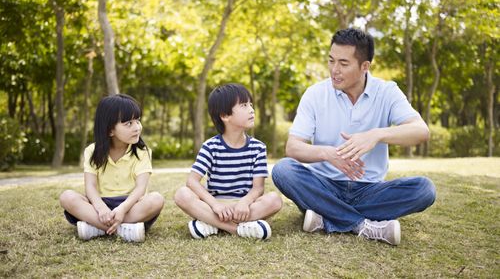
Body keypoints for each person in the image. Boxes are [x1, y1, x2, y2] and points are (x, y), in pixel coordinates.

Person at [271, 28, 436, 245]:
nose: (334, 70)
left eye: (343, 63)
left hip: (369, 190)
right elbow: (293, 148)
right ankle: (362, 225)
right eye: (331, 61)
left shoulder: (387, 92)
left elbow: (421, 131)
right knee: (283, 170)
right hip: (323, 186)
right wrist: (327, 154)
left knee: (424, 190)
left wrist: (376, 135)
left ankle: (327, 217)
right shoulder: (315, 94)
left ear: (364, 66)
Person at [174, 83, 282, 240]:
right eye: (244, 105)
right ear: (225, 115)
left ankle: (210, 224)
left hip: (244, 206)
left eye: (251, 105)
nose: (252, 110)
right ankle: (236, 229)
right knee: (182, 194)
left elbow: (258, 189)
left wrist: (244, 203)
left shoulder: (258, 148)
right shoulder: (211, 146)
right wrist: (215, 205)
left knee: (274, 200)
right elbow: (192, 181)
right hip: (215, 205)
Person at [59, 94, 164, 242]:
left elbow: (140, 189)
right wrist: (101, 208)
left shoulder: (143, 152)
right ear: (110, 130)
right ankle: (124, 230)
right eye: (129, 123)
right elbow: (90, 187)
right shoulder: (92, 151)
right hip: (100, 205)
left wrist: (122, 209)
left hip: (131, 205)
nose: (137, 128)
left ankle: (97, 227)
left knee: (156, 199)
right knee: (67, 197)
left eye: (138, 121)